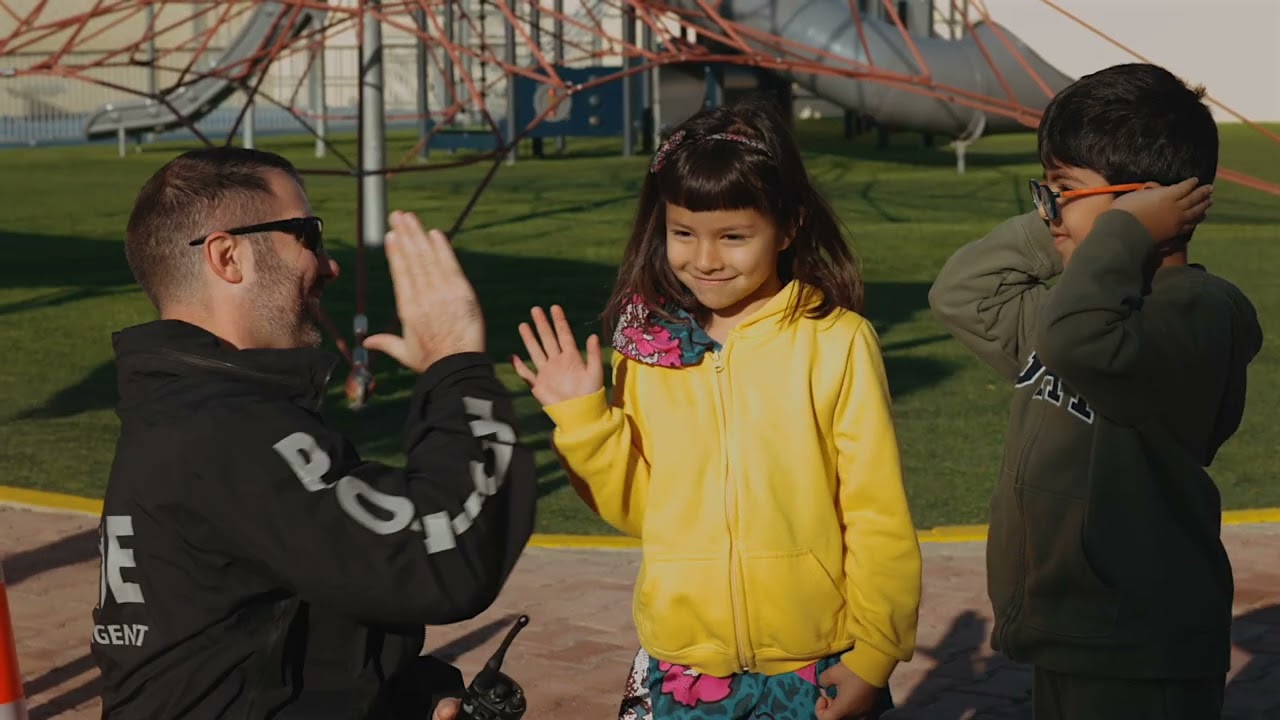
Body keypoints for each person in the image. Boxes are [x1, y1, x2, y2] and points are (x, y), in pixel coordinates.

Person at [91, 145, 538, 719]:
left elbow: (268, 625)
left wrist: (411, 692)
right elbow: (444, 558)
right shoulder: (229, 432)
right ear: (228, 257)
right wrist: (456, 368)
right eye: (308, 234)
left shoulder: (184, 410)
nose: (328, 264)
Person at [510, 99, 922, 720]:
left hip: (817, 662)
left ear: (788, 227)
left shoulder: (838, 342)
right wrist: (584, 420)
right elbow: (641, 510)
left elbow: (876, 513)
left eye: (733, 236)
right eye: (684, 233)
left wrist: (876, 653)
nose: (704, 259)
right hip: (682, 668)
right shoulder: (647, 349)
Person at [928, 63, 1263, 719]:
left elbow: (1080, 343)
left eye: (1062, 192)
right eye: (1045, 192)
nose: (1046, 211)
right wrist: (1067, 224)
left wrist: (1117, 229)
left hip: (1141, 644)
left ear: (1148, 205)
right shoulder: (1078, 310)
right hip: (1070, 630)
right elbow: (963, 295)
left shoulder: (1196, 311)